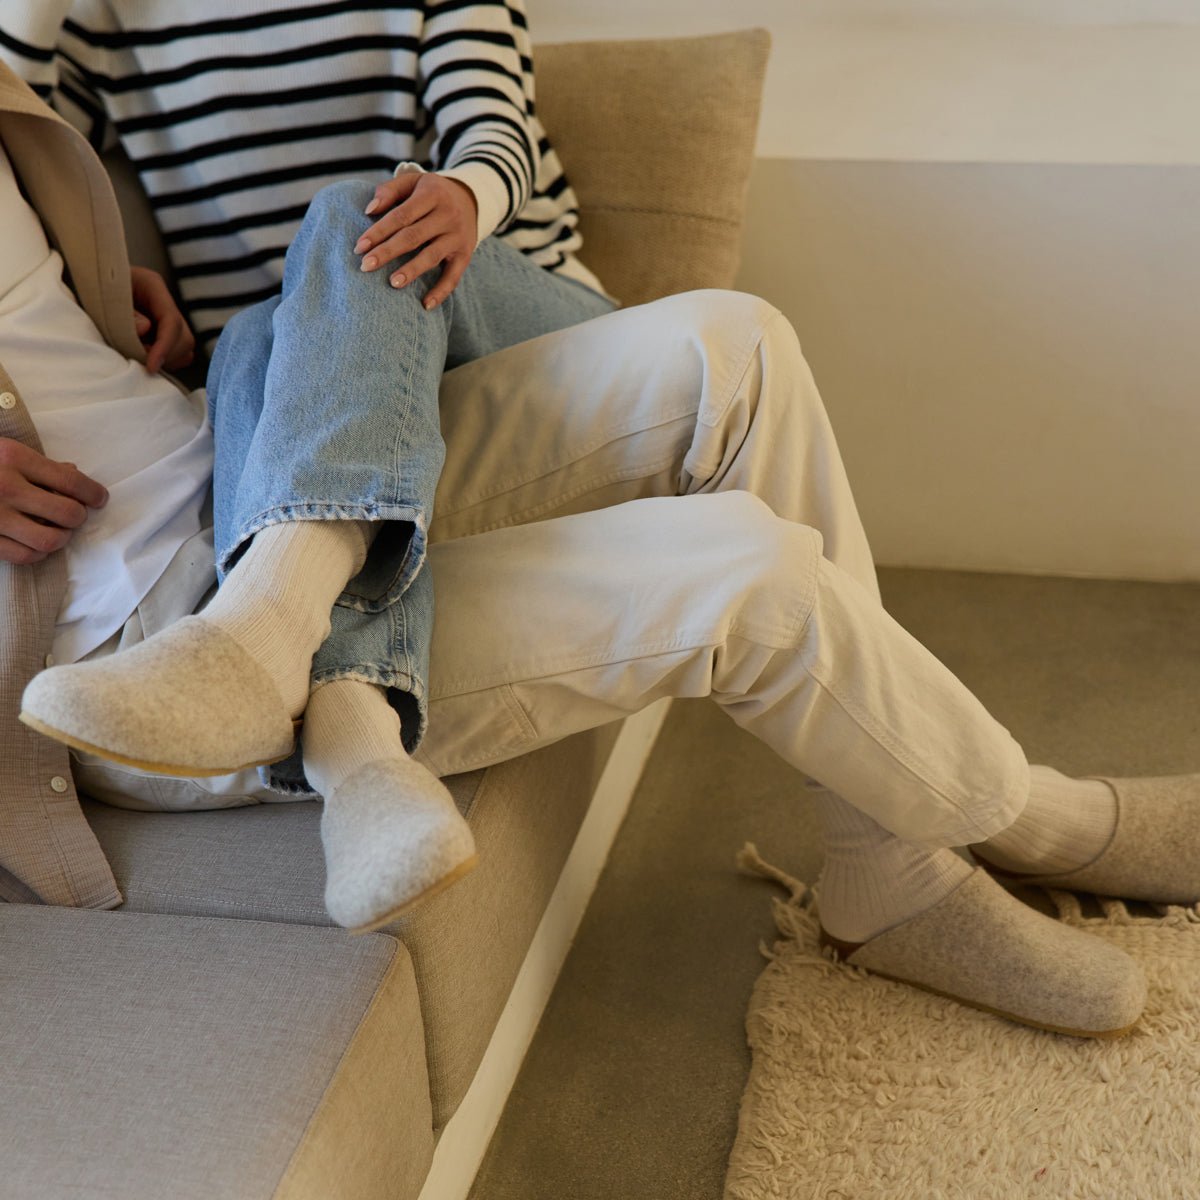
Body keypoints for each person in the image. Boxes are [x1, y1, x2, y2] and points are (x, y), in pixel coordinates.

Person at [4, 61, 1198, 1039]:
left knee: (739, 349)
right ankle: (1029, 820)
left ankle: (890, 860)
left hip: (254, 448)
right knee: (753, 573)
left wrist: (109, 300)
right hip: (126, 638)